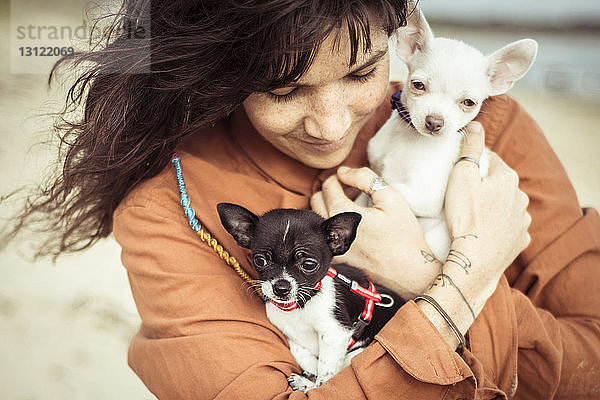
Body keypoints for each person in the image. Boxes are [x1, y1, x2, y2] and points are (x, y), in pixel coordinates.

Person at [6, 0, 600, 399]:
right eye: (284, 88)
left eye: (364, 70)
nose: (330, 125)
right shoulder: (171, 209)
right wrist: (458, 281)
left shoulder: (484, 126)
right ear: (219, 72)